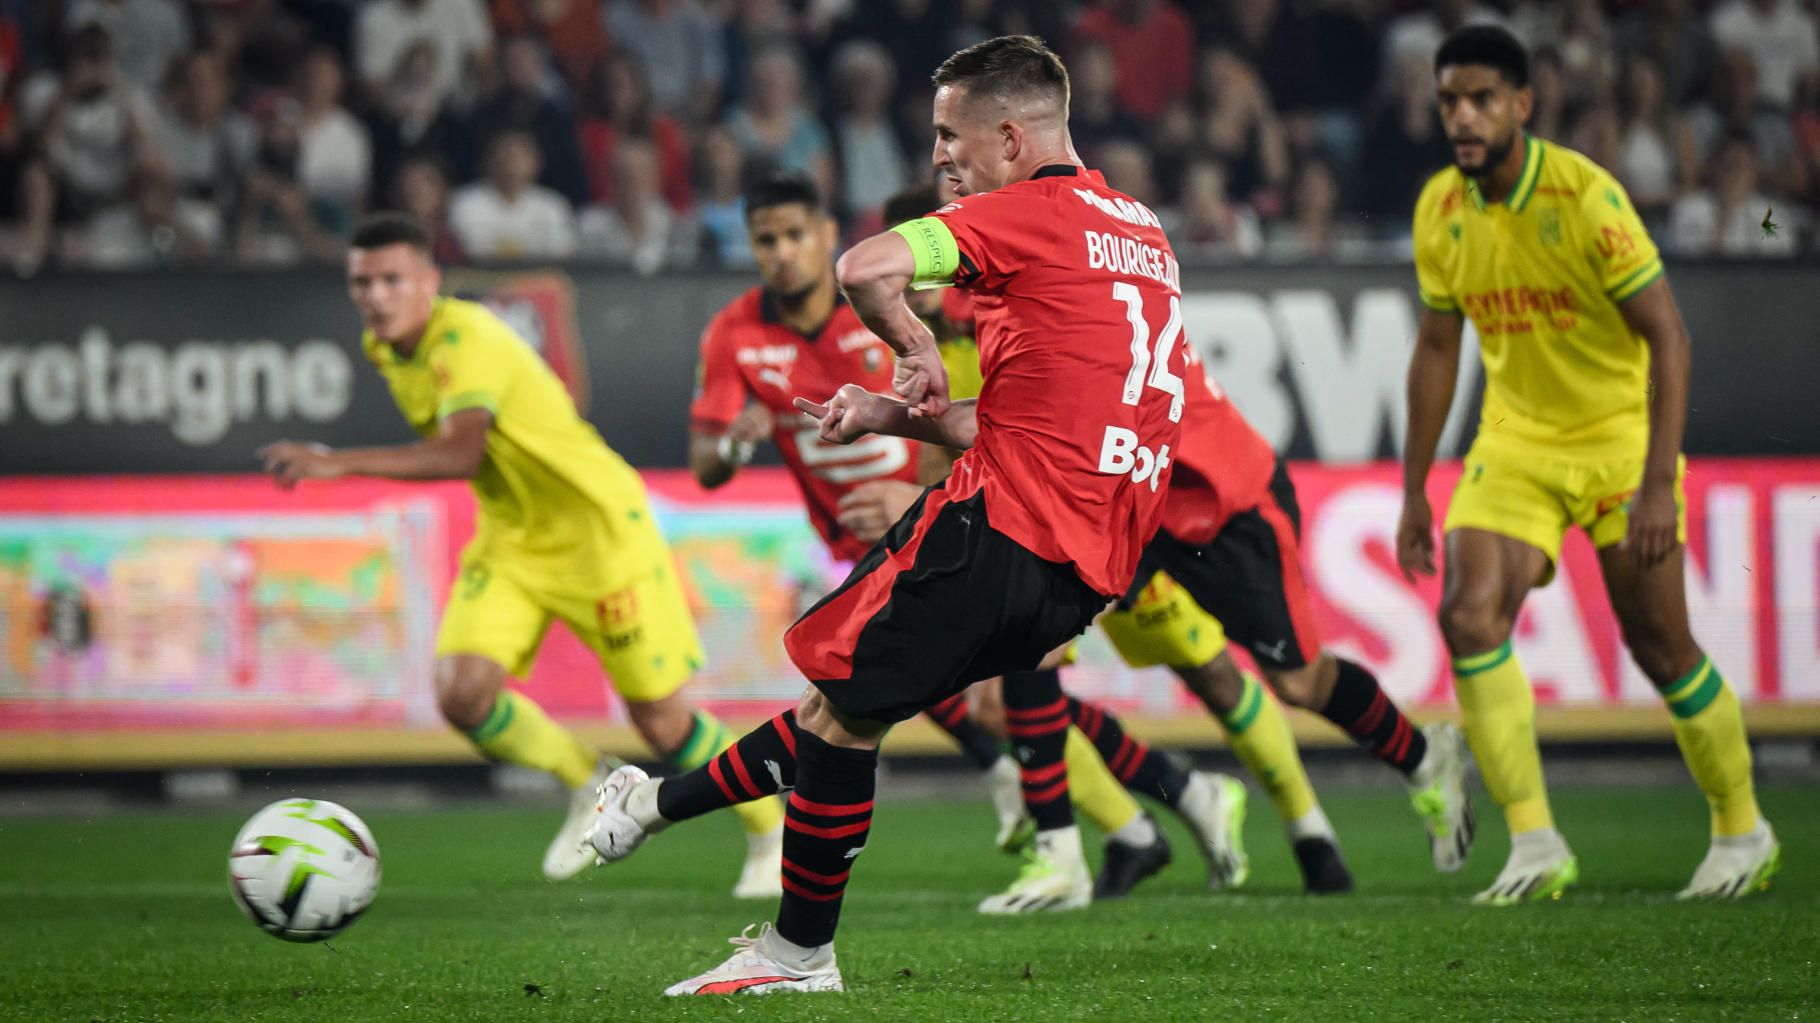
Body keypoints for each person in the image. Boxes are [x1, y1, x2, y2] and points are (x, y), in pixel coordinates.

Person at [585, 35, 1186, 995]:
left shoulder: (1024, 212)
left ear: (1008, 135)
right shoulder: (1141, 231)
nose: (940, 156)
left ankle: (793, 952)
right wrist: (903, 412)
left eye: (950, 135)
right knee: (839, 703)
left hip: (1003, 526)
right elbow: (1047, 411)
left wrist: (911, 341)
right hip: (1086, 567)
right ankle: (653, 806)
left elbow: (867, 267)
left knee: (843, 718)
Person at [257, 212, 784, 897]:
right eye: (363, 281)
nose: (377, 295)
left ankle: (772, 831)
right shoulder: (385, 346)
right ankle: (588, 778)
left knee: (662, 721)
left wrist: (336, 462)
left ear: (429, 281)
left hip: (597, 533)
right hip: (514, 536)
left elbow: (461, 450)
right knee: (461, 691)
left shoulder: (466, 338)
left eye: (393, 279)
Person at [688, 175, 1174, 900]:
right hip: (865, 539)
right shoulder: (738, 332)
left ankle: (1081, 830)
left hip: (955, 520)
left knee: (933, 692)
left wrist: (915, 493)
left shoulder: (905, 308)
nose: (783, 253)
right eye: (767, 239)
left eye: (796, 234)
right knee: (938, 694)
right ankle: (1133, 812)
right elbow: (705, 464)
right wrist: (734, 446)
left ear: (828, 233)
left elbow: (990, 413)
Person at [1399, 25, 1780, 906]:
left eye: (1481, 98)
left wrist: (1655, 481)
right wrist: (1417, 485)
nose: (1462, 114)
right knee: (1468, 611)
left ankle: (1743, 829)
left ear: (1522, 106)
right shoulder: (1439, 210)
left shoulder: (1585, 197)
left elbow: (1669, 339)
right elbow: (1434, 347)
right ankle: (1534, 843)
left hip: (1616, 437)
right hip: (1515, 439)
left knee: (1661, 646)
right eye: (1449, 98)